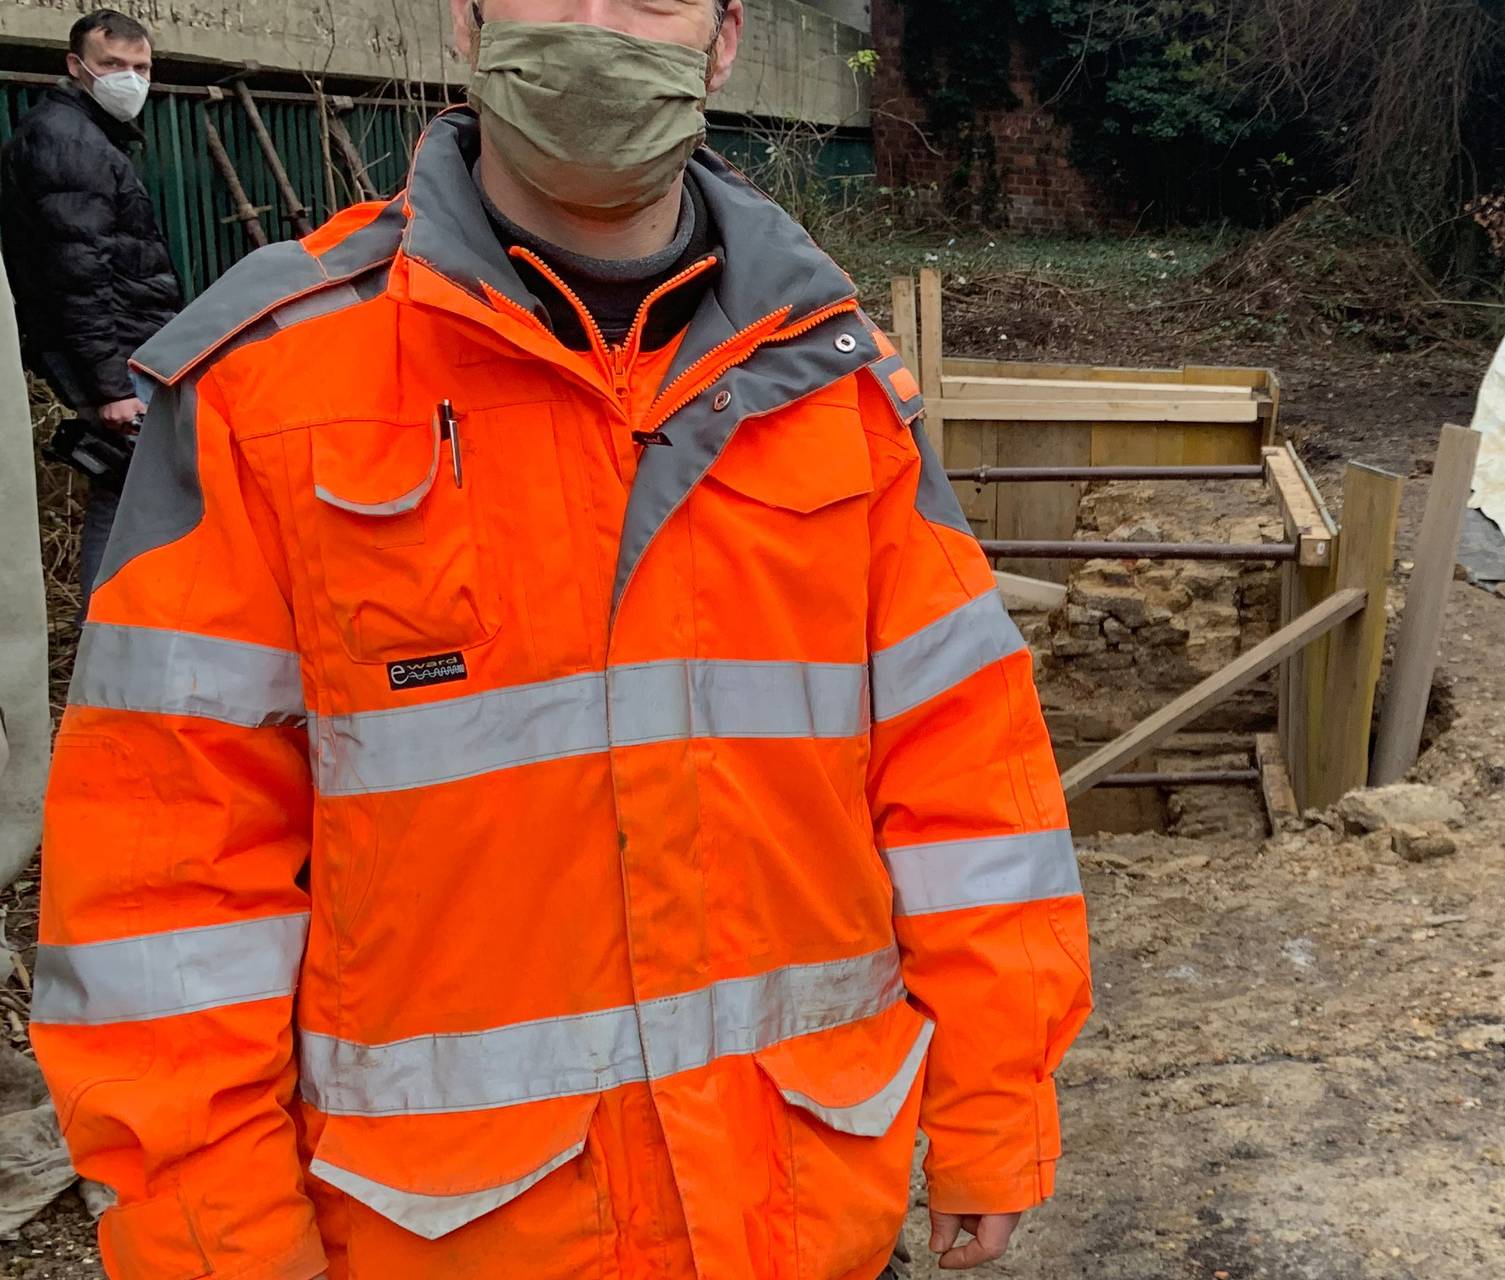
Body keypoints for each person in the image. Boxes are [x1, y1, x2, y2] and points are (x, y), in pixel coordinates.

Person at [30, 1, 1090, 1277]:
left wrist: (994, 1098)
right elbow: (164, 884)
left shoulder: (834, 385)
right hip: (446, 1236)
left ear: (723, 37)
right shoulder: (270, 387)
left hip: (801, 1208)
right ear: (468, 22)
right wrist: (219, 1244)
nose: (593, 25)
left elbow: (971, 780)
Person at [0, 9, 178, 593]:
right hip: (122, 359)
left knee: (126, 493)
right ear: (77, 67)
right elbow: (75, 275)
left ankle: (116, 642)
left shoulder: (81, 134)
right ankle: (106, 642)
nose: (130, 78)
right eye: (113, 65)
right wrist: (110, 388)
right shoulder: (67, 142)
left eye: (141, 67)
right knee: (124, 498)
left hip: (125, 349)